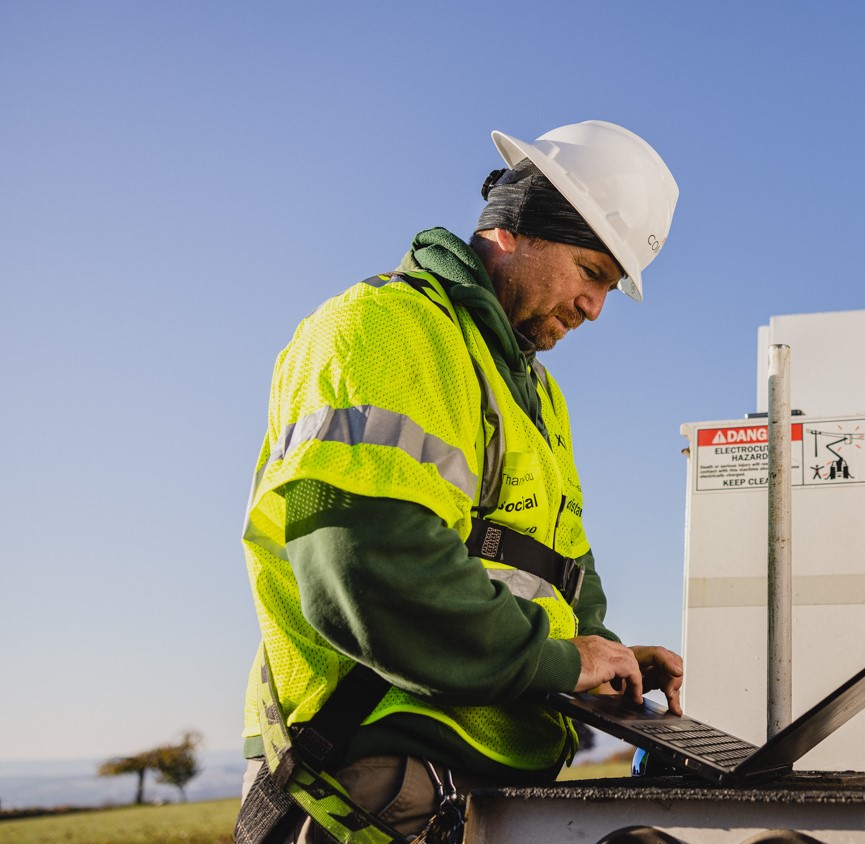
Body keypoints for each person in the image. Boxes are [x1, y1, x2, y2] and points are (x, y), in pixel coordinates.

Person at [236, 120, 683, 843]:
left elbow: (556, 570)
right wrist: (560, 660)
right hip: (371, 770)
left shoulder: (535, 394)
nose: (596, 307)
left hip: (478, 775)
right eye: (591, 271)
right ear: (516, 229)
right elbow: (375, 567)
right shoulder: (383, 330)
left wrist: (607, 654)